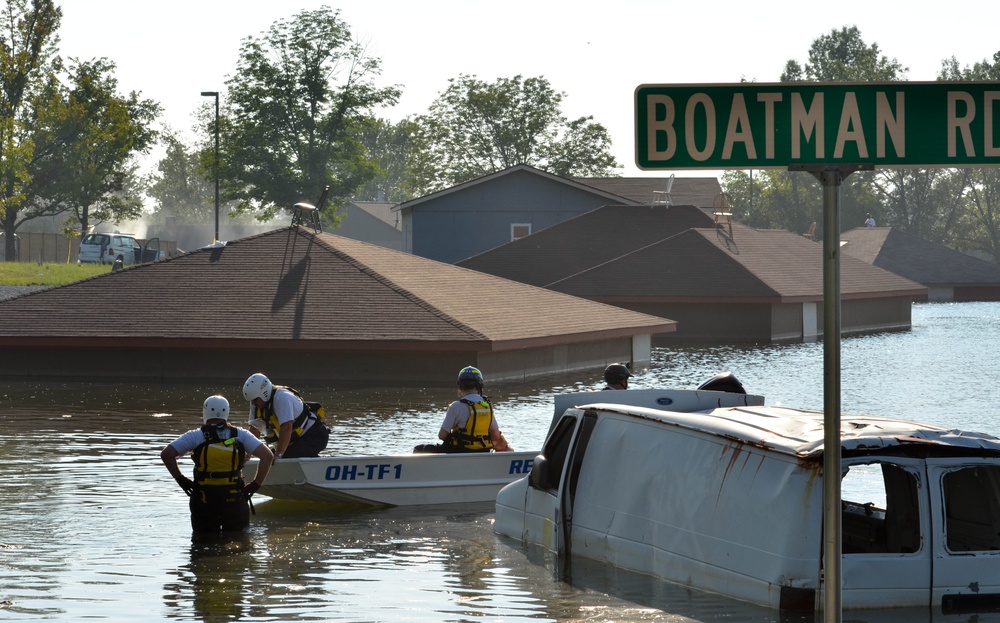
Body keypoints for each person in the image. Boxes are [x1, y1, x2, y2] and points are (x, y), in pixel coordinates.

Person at [160, 395, 274, 534]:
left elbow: (166, 455)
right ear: (226, 412)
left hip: (204, 500)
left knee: (202, 546)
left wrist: (181, 480)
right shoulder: (241, 435)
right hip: (234, 500)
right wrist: (255, 485)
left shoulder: (195, 436)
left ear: (205, 412)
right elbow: (268, 456)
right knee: (239, 544)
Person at [414, 366, 512, 453]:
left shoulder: (456, 406)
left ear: (460, 385)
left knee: (419, 449)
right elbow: (495, 436)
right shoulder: (487, 407)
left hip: (460, 451)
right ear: (479, 385)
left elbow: (442, 436)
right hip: (483, 451)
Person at [243, 373, 330, 459]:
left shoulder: (282, 398)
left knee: (283, 457)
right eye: (251, 400)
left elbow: (287, 427)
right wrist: (248, 454)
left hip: (315, 435)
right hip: (293, 441)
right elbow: (254, 429)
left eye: (255, 400)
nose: (253, 403)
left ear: (264, 394)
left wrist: (279, 454)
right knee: (267, 458)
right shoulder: (256, 402)